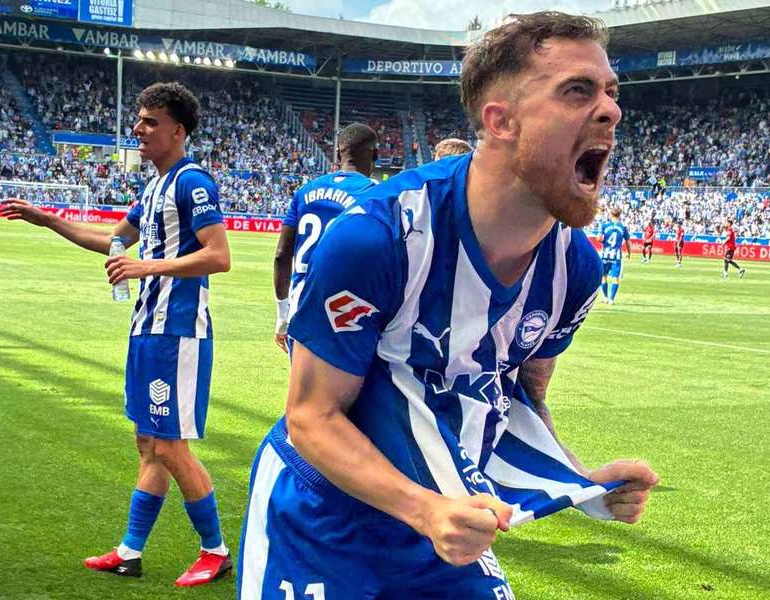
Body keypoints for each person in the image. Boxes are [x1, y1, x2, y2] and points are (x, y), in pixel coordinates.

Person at [238, 12, 658, 599]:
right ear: (500, 120)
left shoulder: (575, 269)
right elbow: (312, 418)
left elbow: (521, 397)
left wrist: (577, 481)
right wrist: (423, 509)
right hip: (324, 520)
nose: (611, 110)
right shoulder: (379, 238)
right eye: (577, 90)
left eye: (611, 92)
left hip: (447, 524)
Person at [0, 83, 234, 587]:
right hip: (146, 331)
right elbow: (110, 241)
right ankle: (130, 551)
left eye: (150, 121)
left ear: (177, 130)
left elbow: (219, 255)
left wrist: (144, 266)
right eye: (139, 120)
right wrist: (48, 220)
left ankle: (215, 551)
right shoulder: (153, 187)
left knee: (171, 446)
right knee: (148, 443)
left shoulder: (192, 183)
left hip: (177, 335)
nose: (138, 129)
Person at [273, 123, 378, 353]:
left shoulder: (305, 191)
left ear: (339, 152)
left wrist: (282, 316)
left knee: (301, 388)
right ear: (375, 155)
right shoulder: (376, 195)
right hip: (346, 313)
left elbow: (282, 256)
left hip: (300, 308)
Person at [600, 207, 631, 304]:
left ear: (611, 214)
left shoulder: (604, 225)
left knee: (603, 276)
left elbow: (598, 238)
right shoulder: (623, 227)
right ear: (619, 215)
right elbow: (627, 241)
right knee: (615, 278)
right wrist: (629, 253)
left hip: (605, 254)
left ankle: (605, 297)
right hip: (616, 256)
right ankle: (611, 299)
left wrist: (602, 239)